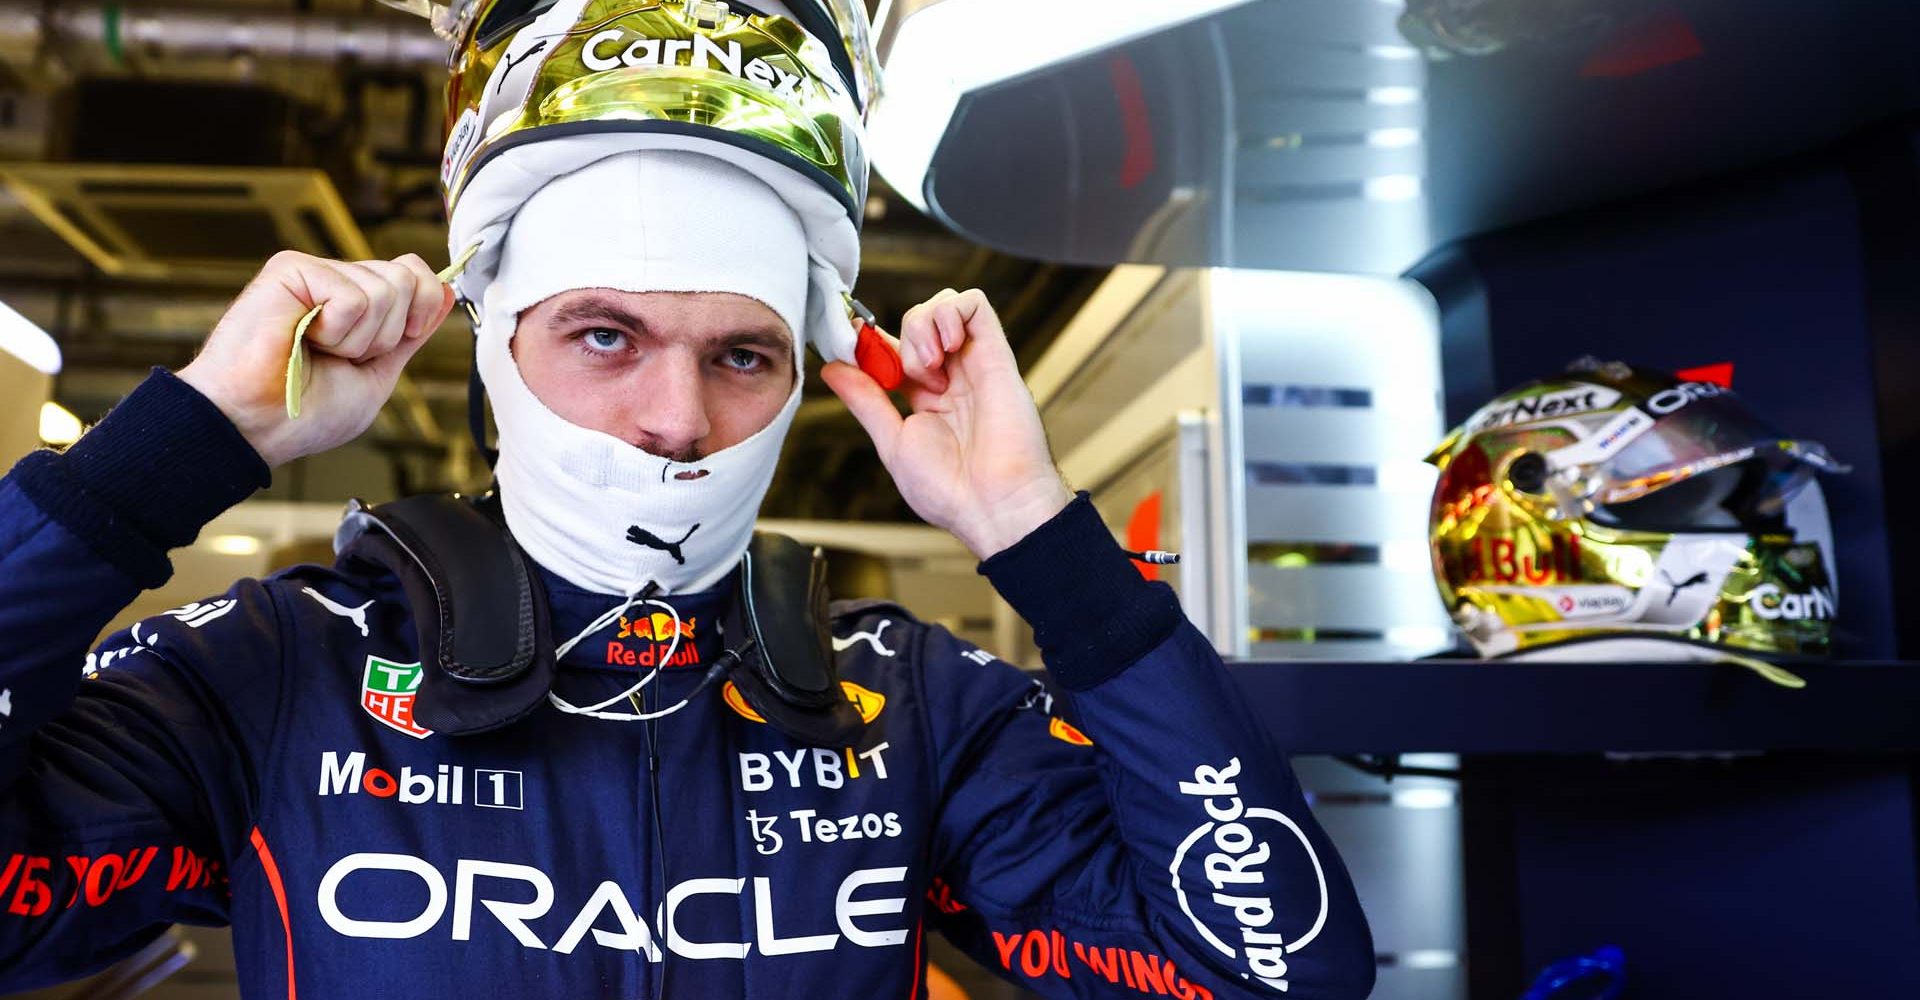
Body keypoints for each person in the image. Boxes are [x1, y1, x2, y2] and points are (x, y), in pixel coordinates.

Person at [0, 4, 1375, 999]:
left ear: (805, 373)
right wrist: (170, 453)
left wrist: (1036, 536)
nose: (674, 416)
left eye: (741, 355)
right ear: (498, 347)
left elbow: (1272, 977)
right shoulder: (283, 669)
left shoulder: (906, 705)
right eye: (604, 335)